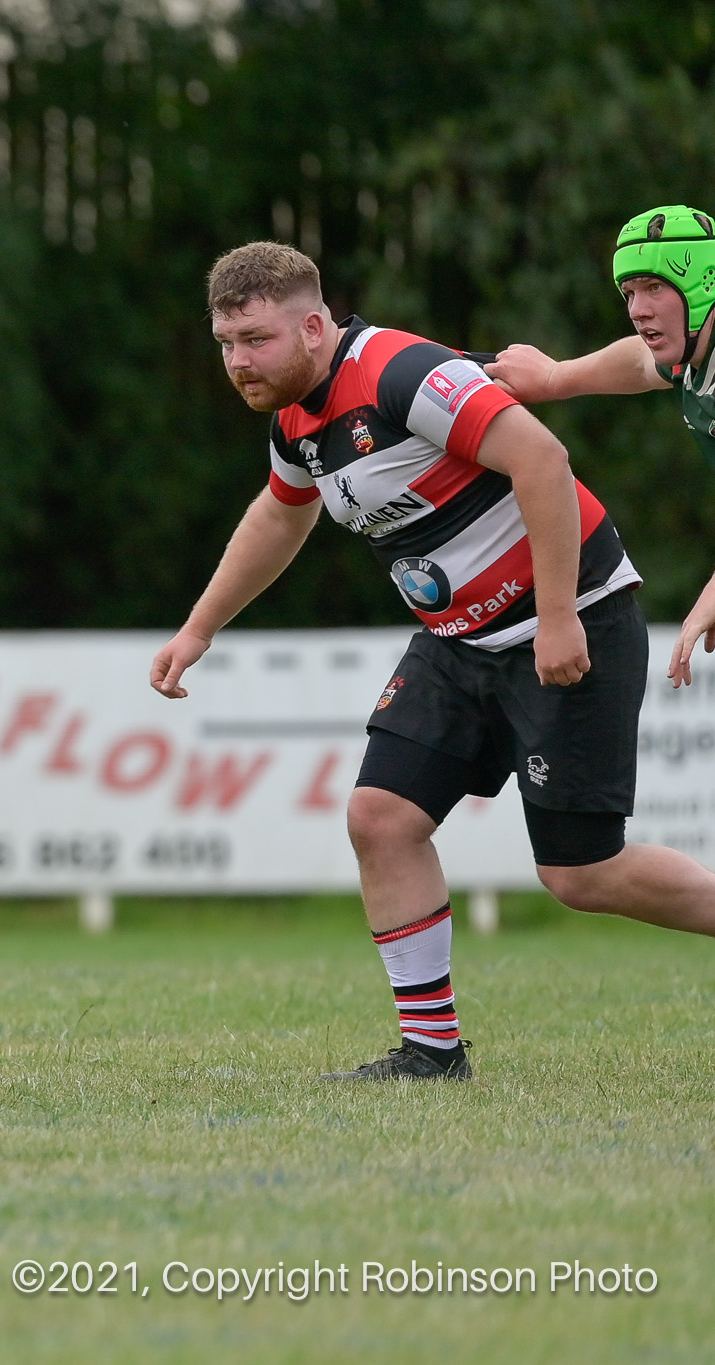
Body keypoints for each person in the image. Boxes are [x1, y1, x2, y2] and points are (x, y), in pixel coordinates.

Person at [150, 241, 715, 1081]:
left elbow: (542, 461)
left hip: (571, 622)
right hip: (457, 645)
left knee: (581, 873)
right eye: (226, 342)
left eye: (256, 339)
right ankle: (431, 1052)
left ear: (314, 324)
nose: (239, 362)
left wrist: (558, 616)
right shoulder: (298, 423)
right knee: (380, 818)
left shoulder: (397, 373)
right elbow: (280, 516)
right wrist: (199, 628)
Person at [483, 204, 715, 685]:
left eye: (654, 288)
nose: (637, 310)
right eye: (629, 292)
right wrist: (553, 378)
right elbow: (638, 363)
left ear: (703, 282)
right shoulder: (692, 357)